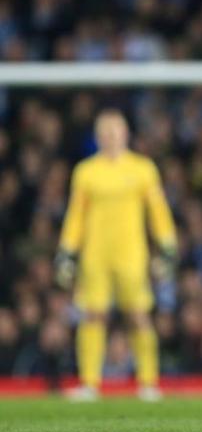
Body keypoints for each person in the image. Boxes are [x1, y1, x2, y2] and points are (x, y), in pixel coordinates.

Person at [55, 110, 178, 401]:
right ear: (98, 137)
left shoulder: (142, 168)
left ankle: (148, 383)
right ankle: (89, 383)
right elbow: (76, 216)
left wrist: (168, 244)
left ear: (126, 134)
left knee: (138, 316)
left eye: (116, 131)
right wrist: (67, 251)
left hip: (131, 254)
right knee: (92, 315)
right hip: (94, 255)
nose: (110, 136)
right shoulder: (86, 171)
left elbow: (157, 210)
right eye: (105, 131)